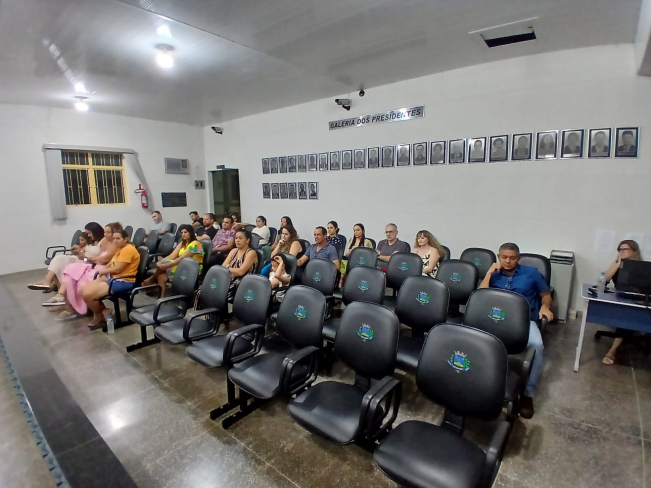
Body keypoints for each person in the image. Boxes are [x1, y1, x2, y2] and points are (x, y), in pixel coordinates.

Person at [479, 242, 553, 419]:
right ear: (498, 257)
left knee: (537, 346)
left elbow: (546, 295)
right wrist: (489, 273)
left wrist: (545, 307)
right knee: (472, 338)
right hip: (494, 319)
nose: (507, 261)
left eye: (512, 258)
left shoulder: (532, 273)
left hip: (524, 321)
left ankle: (527, 394)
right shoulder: (494, 274)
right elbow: (479, 295)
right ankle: (476, 382)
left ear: (518, 258)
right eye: (504, 257)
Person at [54, 223, 122, 319]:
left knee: (79, 279)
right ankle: (65, 300)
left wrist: (87, 258)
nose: (105, 234)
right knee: (70, 269)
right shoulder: (107, 243)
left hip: (103, 270)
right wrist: (90, 258)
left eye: (108, 232)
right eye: (104, 232)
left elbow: (103, 260)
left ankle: (73, 306)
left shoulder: (114, 245)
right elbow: (97, 258)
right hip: (96, 266)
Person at [81, 229, 141, 328]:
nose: (115, 241)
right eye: (114, 239)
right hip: (113, 278)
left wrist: (102, 272)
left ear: (126, 239)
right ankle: (104, 311)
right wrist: (104, 271)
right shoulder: (120, 248)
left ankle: (99, 316)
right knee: (82, 291)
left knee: (88, 295)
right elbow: (110, 263)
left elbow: (118, 269)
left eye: (118, 238)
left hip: (123, 281)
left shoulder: (128, 250)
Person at [28, 222, 104, 300]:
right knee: (59, 258)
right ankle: (47, 281)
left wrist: (84, 257)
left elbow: (99, 259)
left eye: (89, 233)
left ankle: (62, 294)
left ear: (95, 232)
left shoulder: (103, 242)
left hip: (87, 262)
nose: (88, 235)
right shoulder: (91, 241)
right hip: (81, 258)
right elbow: (83, 251)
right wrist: (79, 251)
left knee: (62, 266)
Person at [602, 240, 642, 365]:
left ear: (634, 251)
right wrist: (618, 263)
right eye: (620, 249)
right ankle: (614, 349)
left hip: (637, 300)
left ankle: (612, 350)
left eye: (626, 249)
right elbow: (605, 279)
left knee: (630, 314)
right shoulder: (617, 264)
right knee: (627, 314)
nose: (622, 251)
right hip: (619, 298)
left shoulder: (642, 267)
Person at [141, 224, 204, 297]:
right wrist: (161, 261)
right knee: (161, 275)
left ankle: (151, 279)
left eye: (185, 232)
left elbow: (181, 258)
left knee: (164, 266)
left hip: (192, 269)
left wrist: (167, 265)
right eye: (182, 233)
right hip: (181, 265)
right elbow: (172, 256)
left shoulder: (195, 244)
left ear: (191, 233)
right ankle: (161, 298)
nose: (183, 234)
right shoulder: (182, 243)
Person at [224, 229, 258, 297]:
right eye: (236, 238)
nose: (237, 240)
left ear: (248, 240)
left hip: (241, 284)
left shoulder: (251, 253)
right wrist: (230, 270)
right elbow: (223, 267)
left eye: (240, 238)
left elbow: (241, 272)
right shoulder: (233, 251)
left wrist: (228, 268)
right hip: (228, 279)